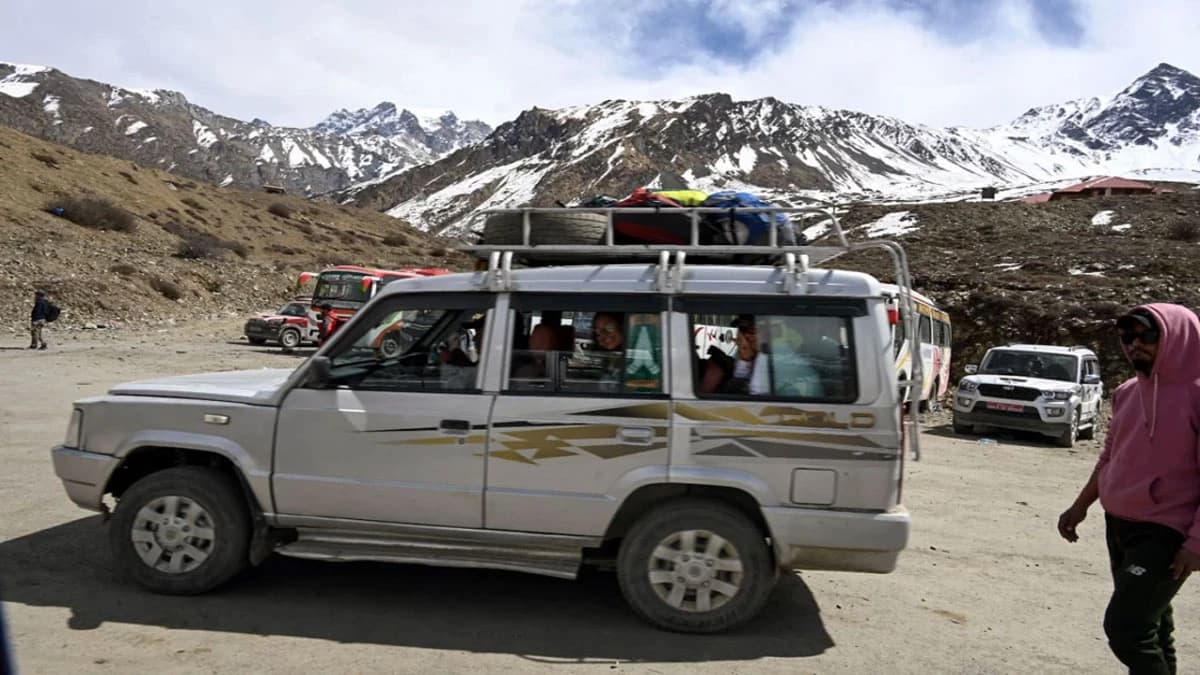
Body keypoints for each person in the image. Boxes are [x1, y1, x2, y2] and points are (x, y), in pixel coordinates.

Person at [1058, 304, 1200, 675]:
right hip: (1119, 524)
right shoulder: (1126, 392)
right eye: (1127, 337)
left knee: (1126, 629)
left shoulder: (1197, 395)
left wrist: (1196, 543)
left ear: (1176, 337)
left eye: (1147, 336)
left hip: (1166, 530)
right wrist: (1081, 505)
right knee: (1154, 625)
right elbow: (1110, 455)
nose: (1135, 345)